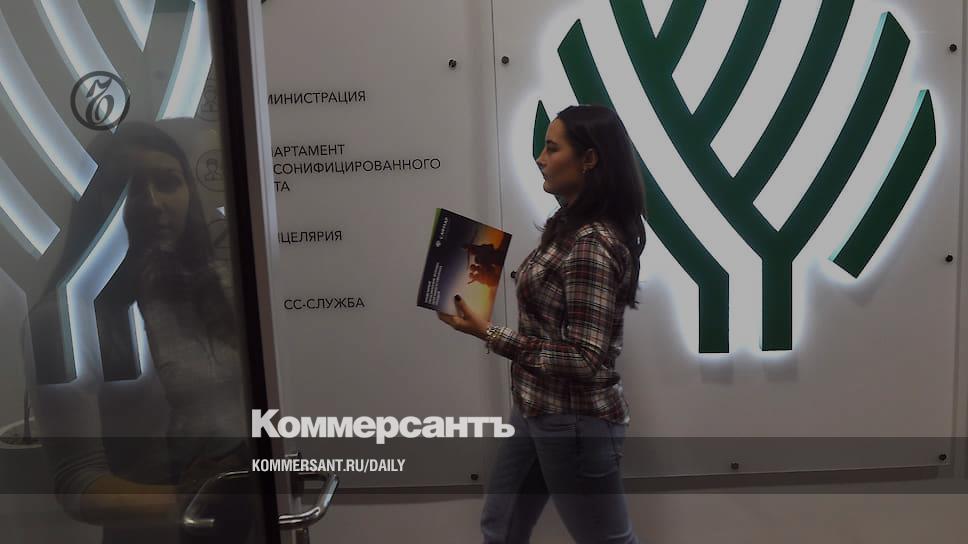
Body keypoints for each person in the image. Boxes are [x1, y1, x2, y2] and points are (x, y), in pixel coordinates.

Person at [27, 121, 261, 543]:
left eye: (168, 182)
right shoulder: (65, 320)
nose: (152, 202)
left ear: (189, 191)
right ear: (96, 201)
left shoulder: (222, 285)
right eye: (126, 188)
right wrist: (214, 502)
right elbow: (79, 483)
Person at [438, 104, 646, 543]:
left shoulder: (592, 244)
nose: (540, 158)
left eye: (552, 148)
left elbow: (584, 359)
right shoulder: (569, 225)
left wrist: (489, 333)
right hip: (535, 408)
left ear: (589, 159)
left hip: (574, 424)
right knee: (500, 526)